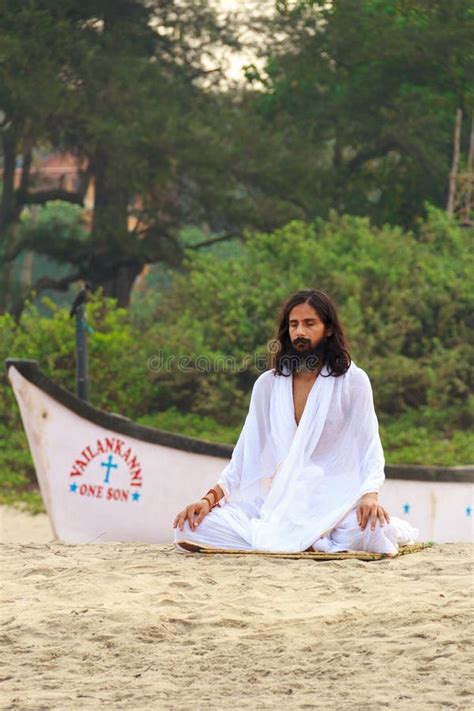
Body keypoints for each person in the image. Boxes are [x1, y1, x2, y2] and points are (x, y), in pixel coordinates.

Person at [173, 289, 419, 554]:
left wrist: (370, 494)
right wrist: (209, 499)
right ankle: (308, 542)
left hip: (336, 502)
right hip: (282, 504)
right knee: (188, 528)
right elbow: (244, 454)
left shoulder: (353, 381)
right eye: (294, 324)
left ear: (327, 329)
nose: (300, 332)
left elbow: (370, 445)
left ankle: (312, 539)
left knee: (374, 530)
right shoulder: (268, 385)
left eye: (309, 323)